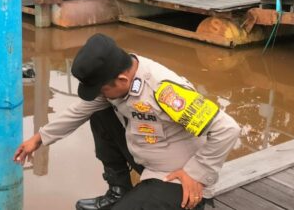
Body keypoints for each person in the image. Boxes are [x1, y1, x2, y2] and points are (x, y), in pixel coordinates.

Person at [15, 33, 240, 210]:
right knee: (98, 111)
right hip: (146, 153)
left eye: (102, 89)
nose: (100, 94)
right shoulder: (123, 71)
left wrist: (196, 172)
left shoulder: (164, 90)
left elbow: (227, 129)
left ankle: (189, 200)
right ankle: (119, 190)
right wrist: (39, 138)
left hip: (175, 175)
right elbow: (80, 110)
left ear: (122, 80)